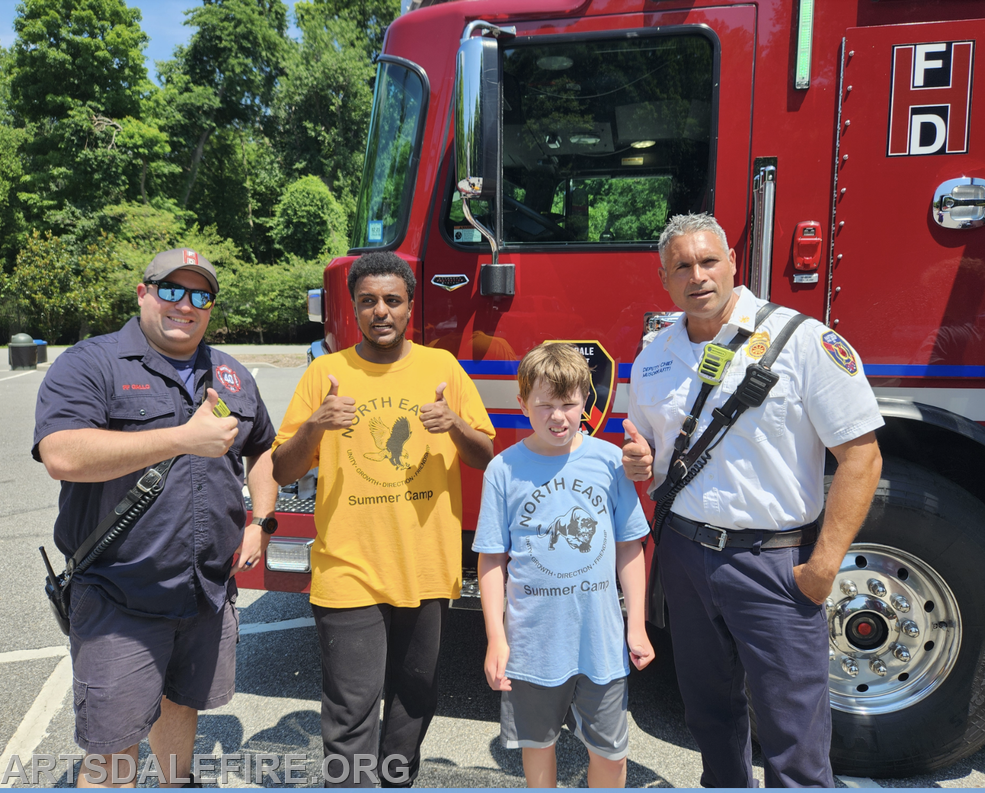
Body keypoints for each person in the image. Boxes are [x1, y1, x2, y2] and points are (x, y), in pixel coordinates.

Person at [622, 213, 884, 787]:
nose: (698, 276)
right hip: (688, 559)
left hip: (775, 565)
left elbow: (862, 459)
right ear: (664, 279)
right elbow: (650, 453)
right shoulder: (653, 358)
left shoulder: (804, 341)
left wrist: (822, 569)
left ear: (733, 263)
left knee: (793, 735)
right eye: (682, 267)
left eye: (709, 261)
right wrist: (638, 463)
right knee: (709, 718)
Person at [33, 248, 278, 788]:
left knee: (181, 706)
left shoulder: (231, 375)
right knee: (112, 746)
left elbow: (262, 448)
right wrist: (181, 439)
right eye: (171, 290)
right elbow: (62, 454)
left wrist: (261, 519)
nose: (185, 305)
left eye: (200, 296)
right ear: (143, 293)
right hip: (120, 594)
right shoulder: (92, 363)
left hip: (205, 592)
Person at [270, 250, 495, 787]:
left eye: (392, 300)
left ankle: (396, 780)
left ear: (410, 306)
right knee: (350, 708)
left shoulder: (442, 368)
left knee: (415, 697)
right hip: (348, 567)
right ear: (353, 308)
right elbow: (281, 470)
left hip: (424, 565)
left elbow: (486, 454)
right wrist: (315, 427)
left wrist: (455, 425)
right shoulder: (325, 373)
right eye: (368, 301)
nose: (380, 311)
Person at [474, 342, 654, 789]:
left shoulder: (610, 461)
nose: (558, 416)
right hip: (533, 643)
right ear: (522, 404)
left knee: (611, 756)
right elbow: (492, 559)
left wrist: (637, 625)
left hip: (601, 641)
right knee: (538, 751)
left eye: (569, 404)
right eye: (545, 405)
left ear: (585, 403)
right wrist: (496, 639)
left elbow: (629, 546)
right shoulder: (502, 470)